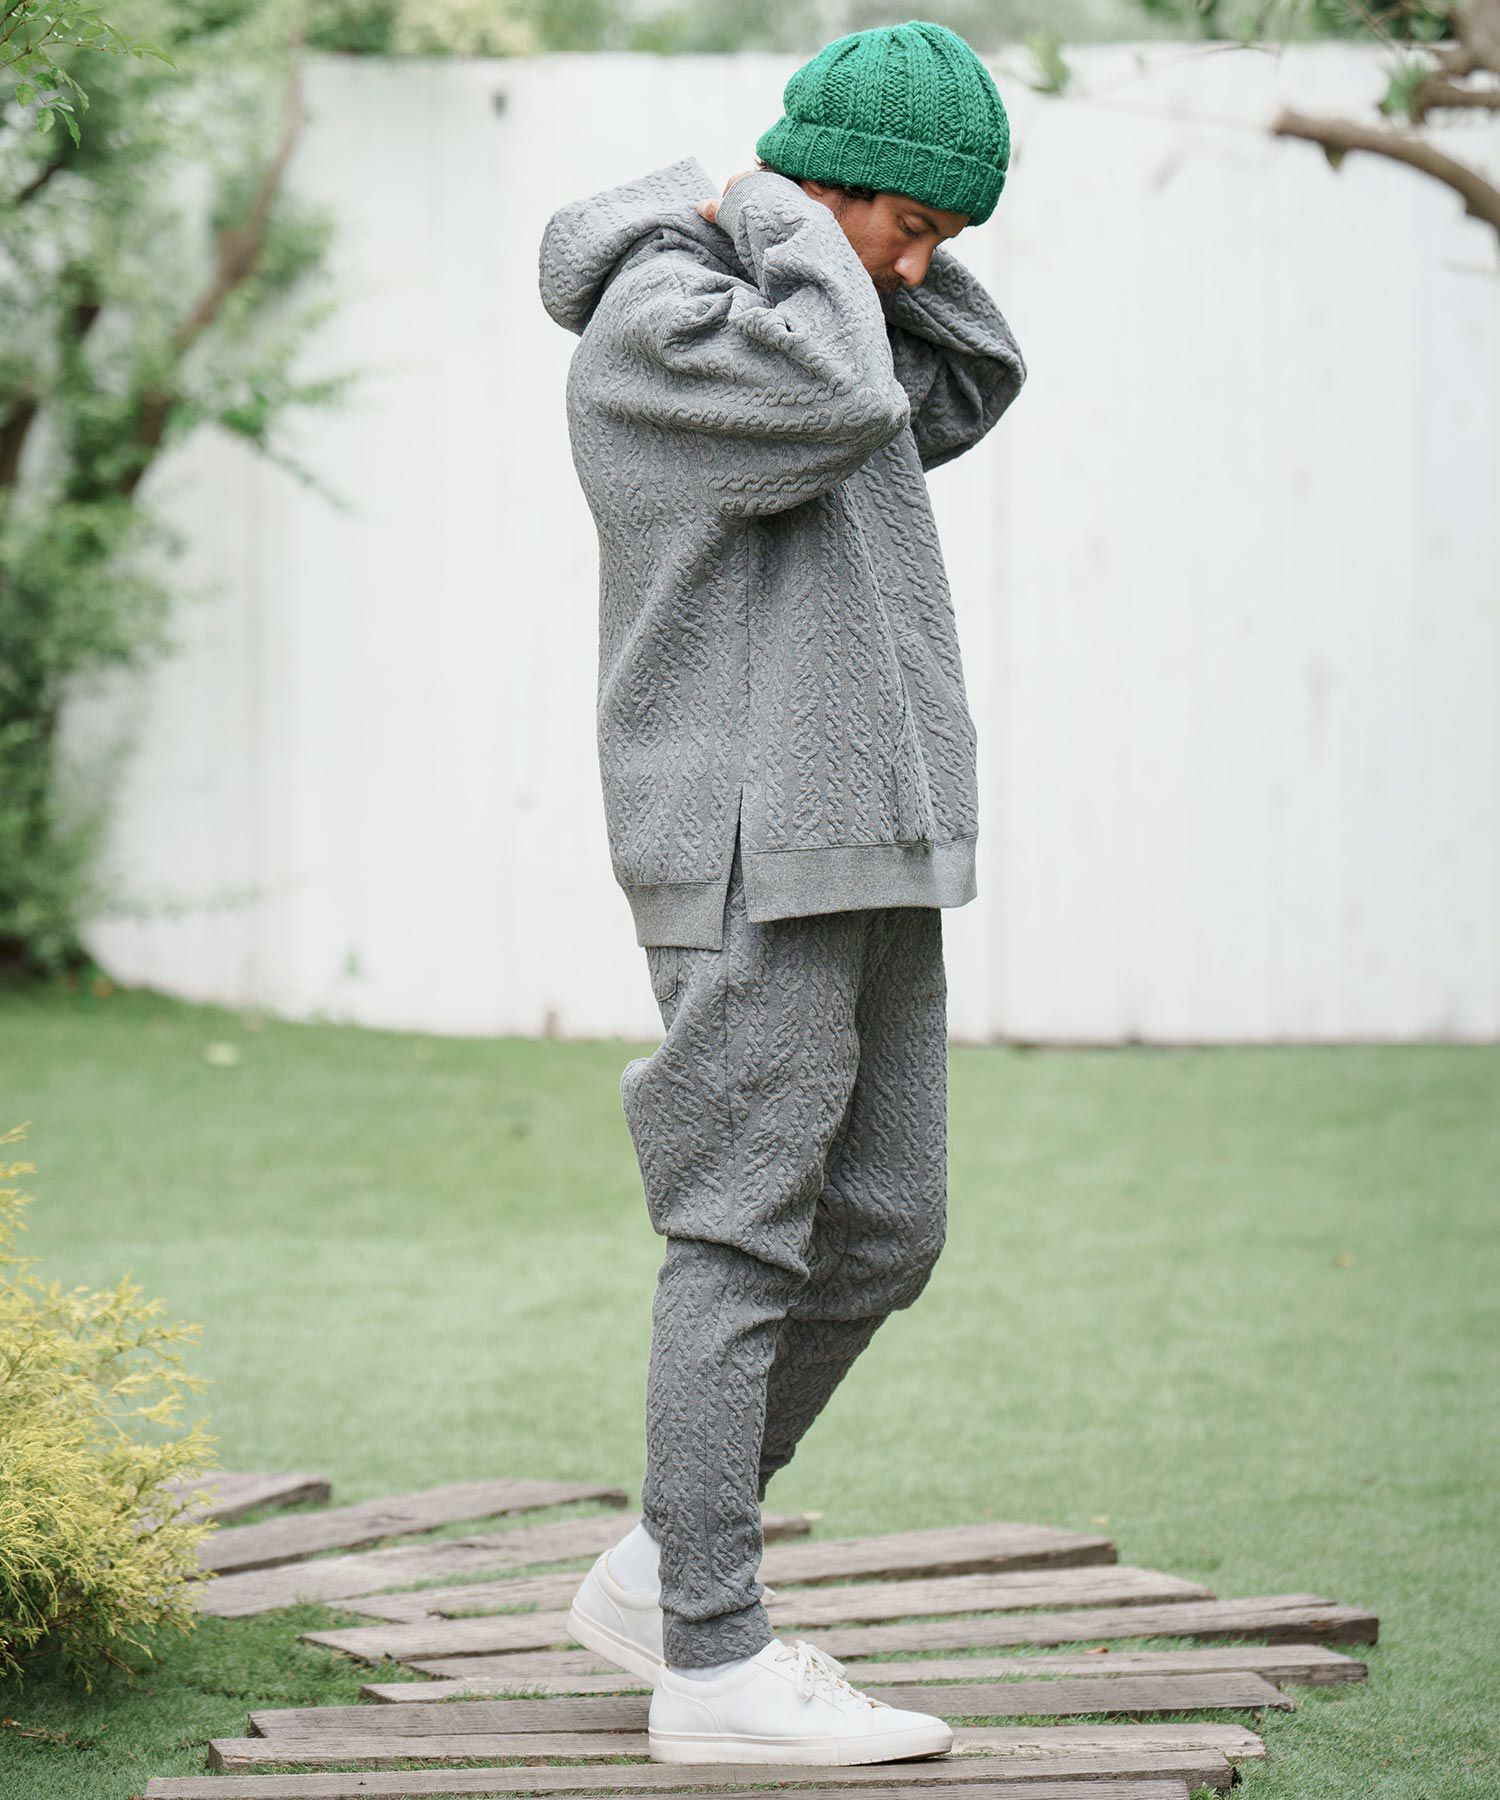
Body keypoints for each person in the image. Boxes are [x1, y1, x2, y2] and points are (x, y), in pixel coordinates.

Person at [537, 16, 1026, 1767]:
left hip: (866, 830)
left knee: (887, 1227)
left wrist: (846, 237)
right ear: (824, 184)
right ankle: (715, 1665)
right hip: (747, 839)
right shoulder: (661, 326)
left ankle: (666, 1568)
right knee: (740, 1231)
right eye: (912, 224)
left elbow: (964, 379)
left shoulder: (820, 308)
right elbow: (837, 393)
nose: (922, 269)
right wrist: (764, 208)